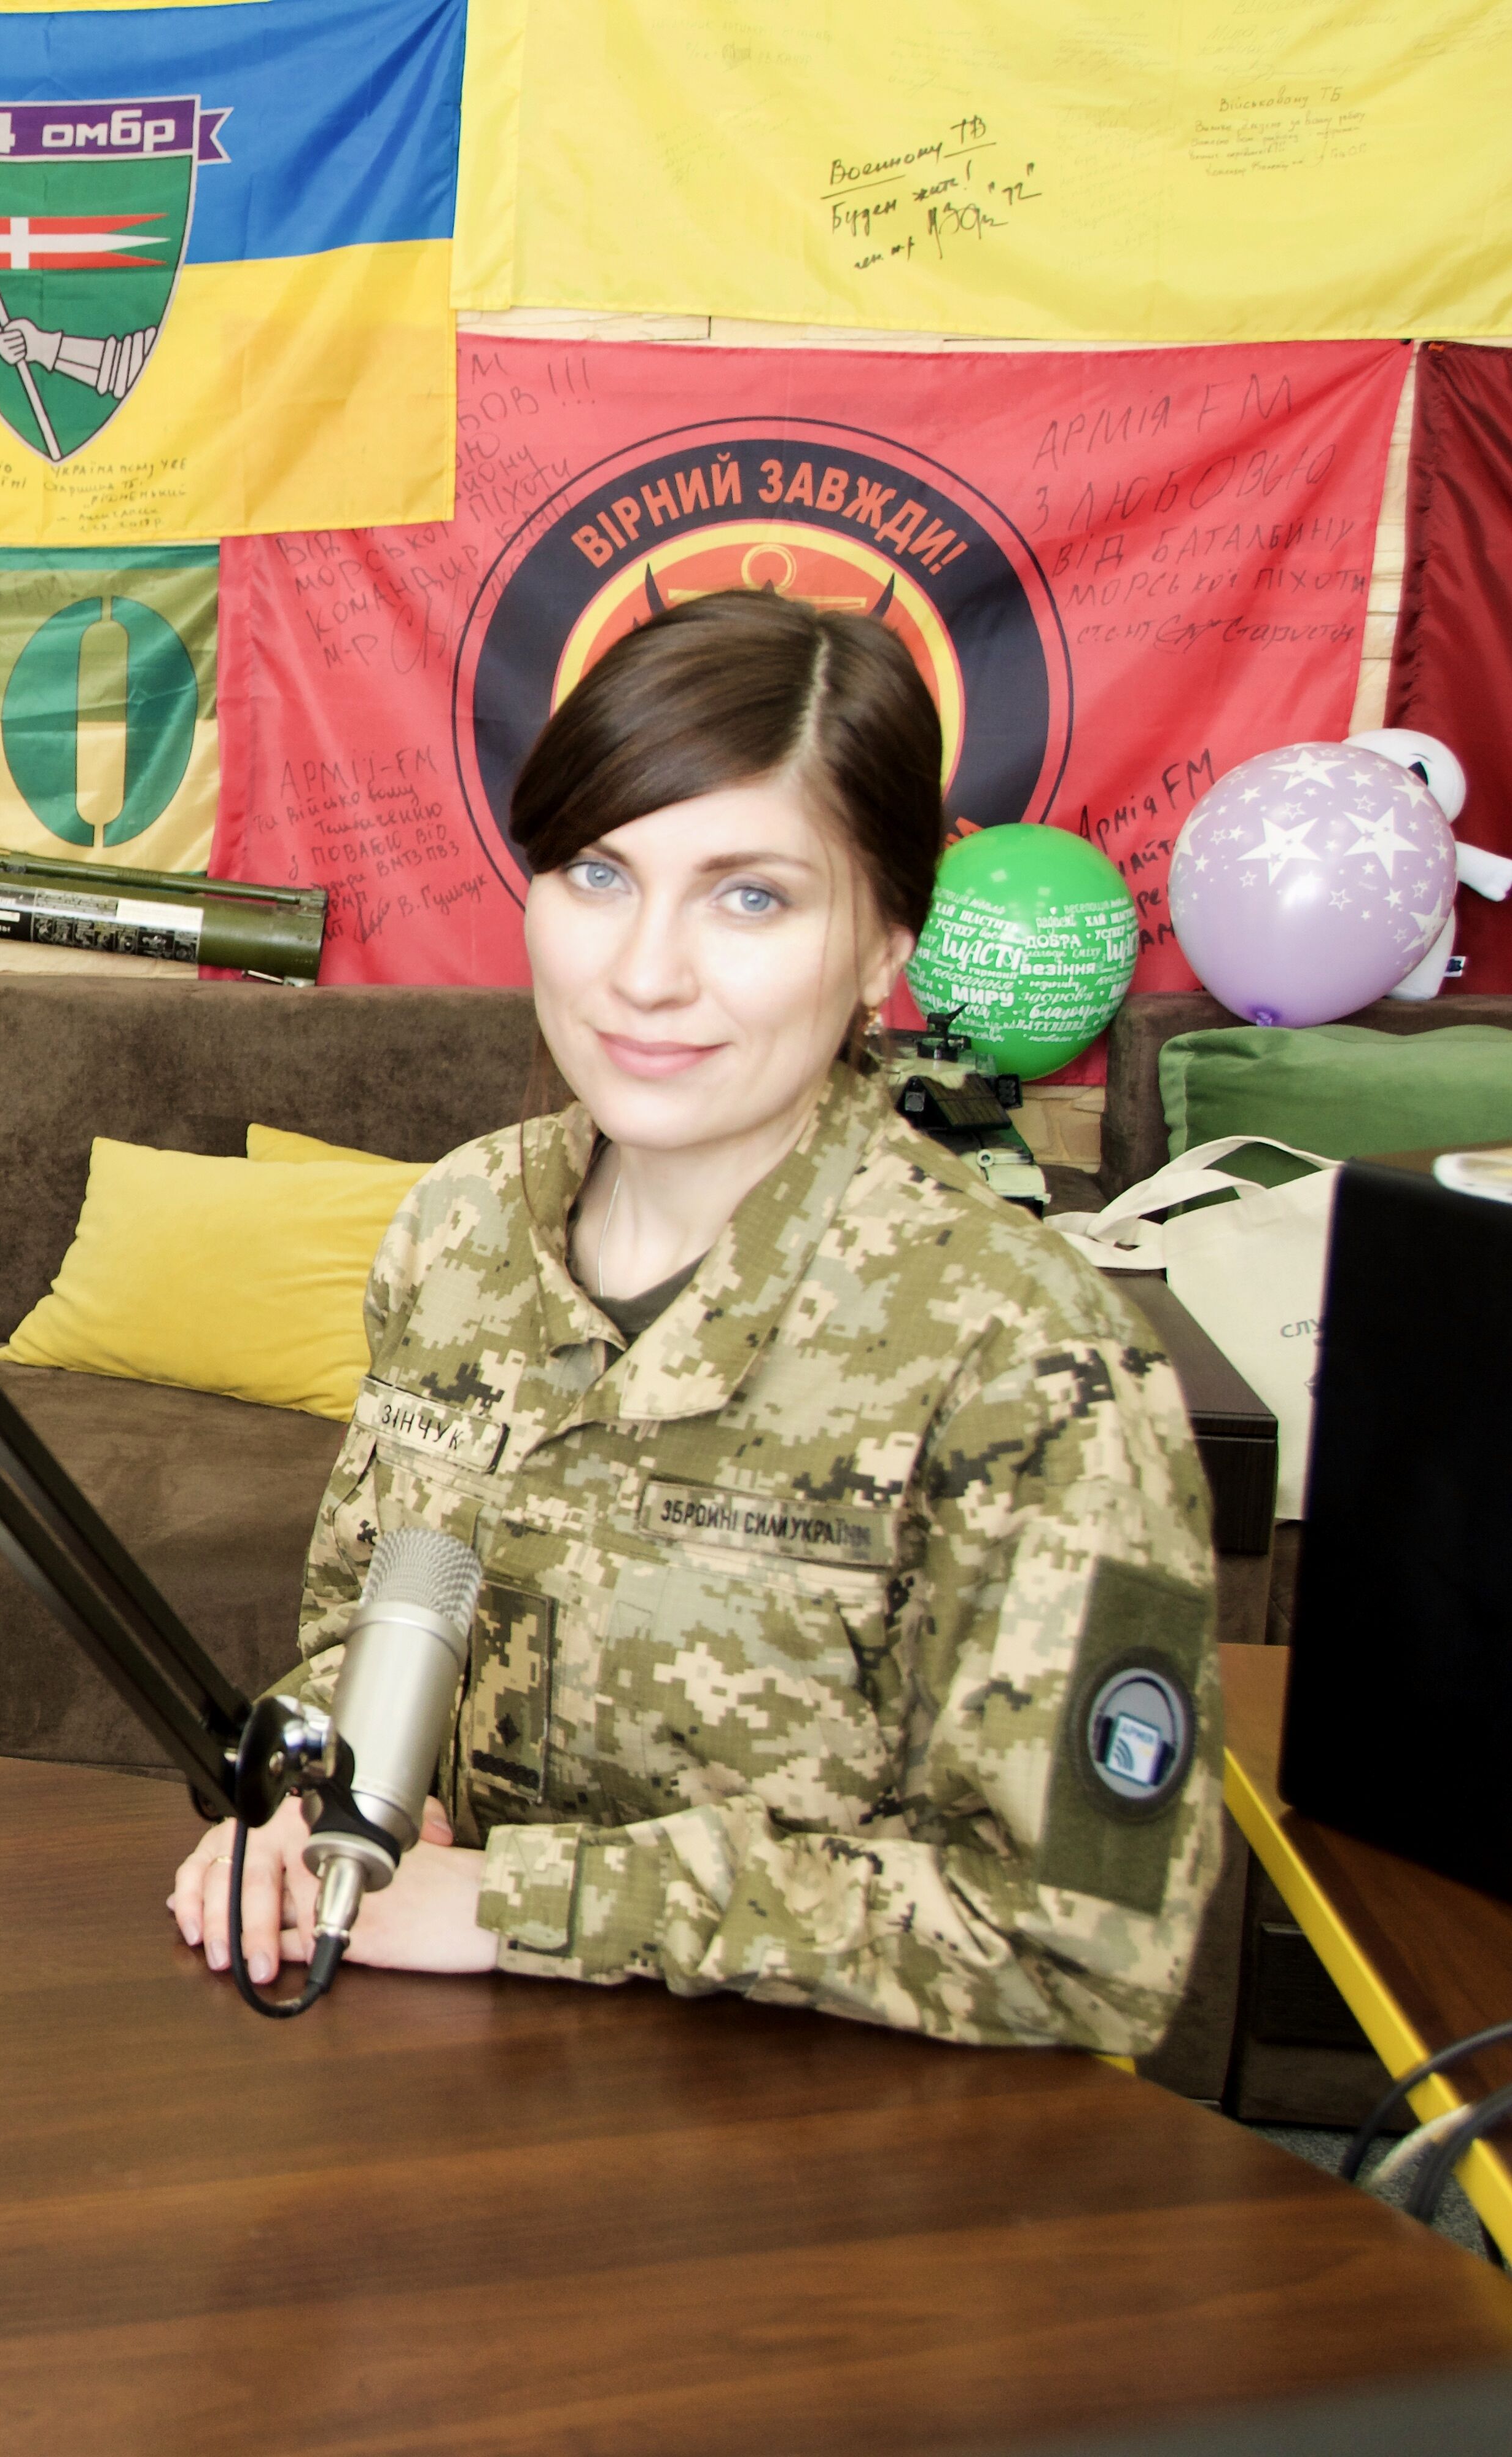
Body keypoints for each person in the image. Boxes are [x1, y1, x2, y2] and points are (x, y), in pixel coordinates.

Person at [170, 587, 1220, 2052]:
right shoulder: (460, 1227)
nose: (645, 970)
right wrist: (300, 1811)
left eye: (752, 896)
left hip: (818, 2150)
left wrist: (522, 1907)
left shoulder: (1028, 1353)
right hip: (426, 2105)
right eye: (598, 873)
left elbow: (1088, 1941)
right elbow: (373, 1619)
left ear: (884, 945)